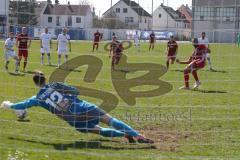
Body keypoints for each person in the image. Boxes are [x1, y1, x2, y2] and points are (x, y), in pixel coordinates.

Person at [0, 71, 154, 144]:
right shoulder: (55, 84)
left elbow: (22, 104)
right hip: (82, 107)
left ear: (35, 83)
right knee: (110, 120)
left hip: (72, 120)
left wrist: (9, 105)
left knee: (97, 130)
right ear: (45, 78)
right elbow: (75, 91)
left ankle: (124, 135)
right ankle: (138, 135)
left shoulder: (38, 98)